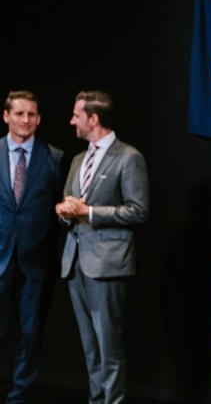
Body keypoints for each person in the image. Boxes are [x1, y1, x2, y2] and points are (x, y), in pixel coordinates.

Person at [55, 90, 149, 404]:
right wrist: (65, 210)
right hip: (75, 260)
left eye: (76, 116)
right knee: (90, 348)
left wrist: (89, 213)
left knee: (110, 349)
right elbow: (71, 201)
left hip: (107, 265)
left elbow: (138, 210)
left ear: (93, 119)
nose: (72, 122)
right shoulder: (80, 159)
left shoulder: (129, 157)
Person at [0, 91, 66, 404]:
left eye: (31, 115)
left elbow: (58, 212)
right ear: (6, 116)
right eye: (19, 114)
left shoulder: (53, 157)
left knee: (29, 334)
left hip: (36, 262)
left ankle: (18, 397)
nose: (25, 120)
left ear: (38, 119)